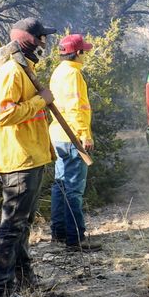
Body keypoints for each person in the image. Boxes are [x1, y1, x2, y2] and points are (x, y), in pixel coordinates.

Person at [0, 17, 54, 297]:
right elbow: (4, 115)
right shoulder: (12, 72)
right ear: (30, 41)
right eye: (41, 38)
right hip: (18, 160)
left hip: (30, 157)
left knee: (22, 225)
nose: (44, 44)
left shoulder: (24, 69)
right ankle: (2, 291)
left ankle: (25, 281)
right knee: (12, 226)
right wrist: (41, 100)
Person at [48, 33, 97, 251]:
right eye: (84, 51)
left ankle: (58, 233)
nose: (85, 55)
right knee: (74, 190)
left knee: (60, 185)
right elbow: (77, 108)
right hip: (72, 137)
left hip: (58, 135)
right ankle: (75, 238)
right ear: (77, 53)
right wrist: (85, 135)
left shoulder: (58, 72)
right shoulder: (74, 74)